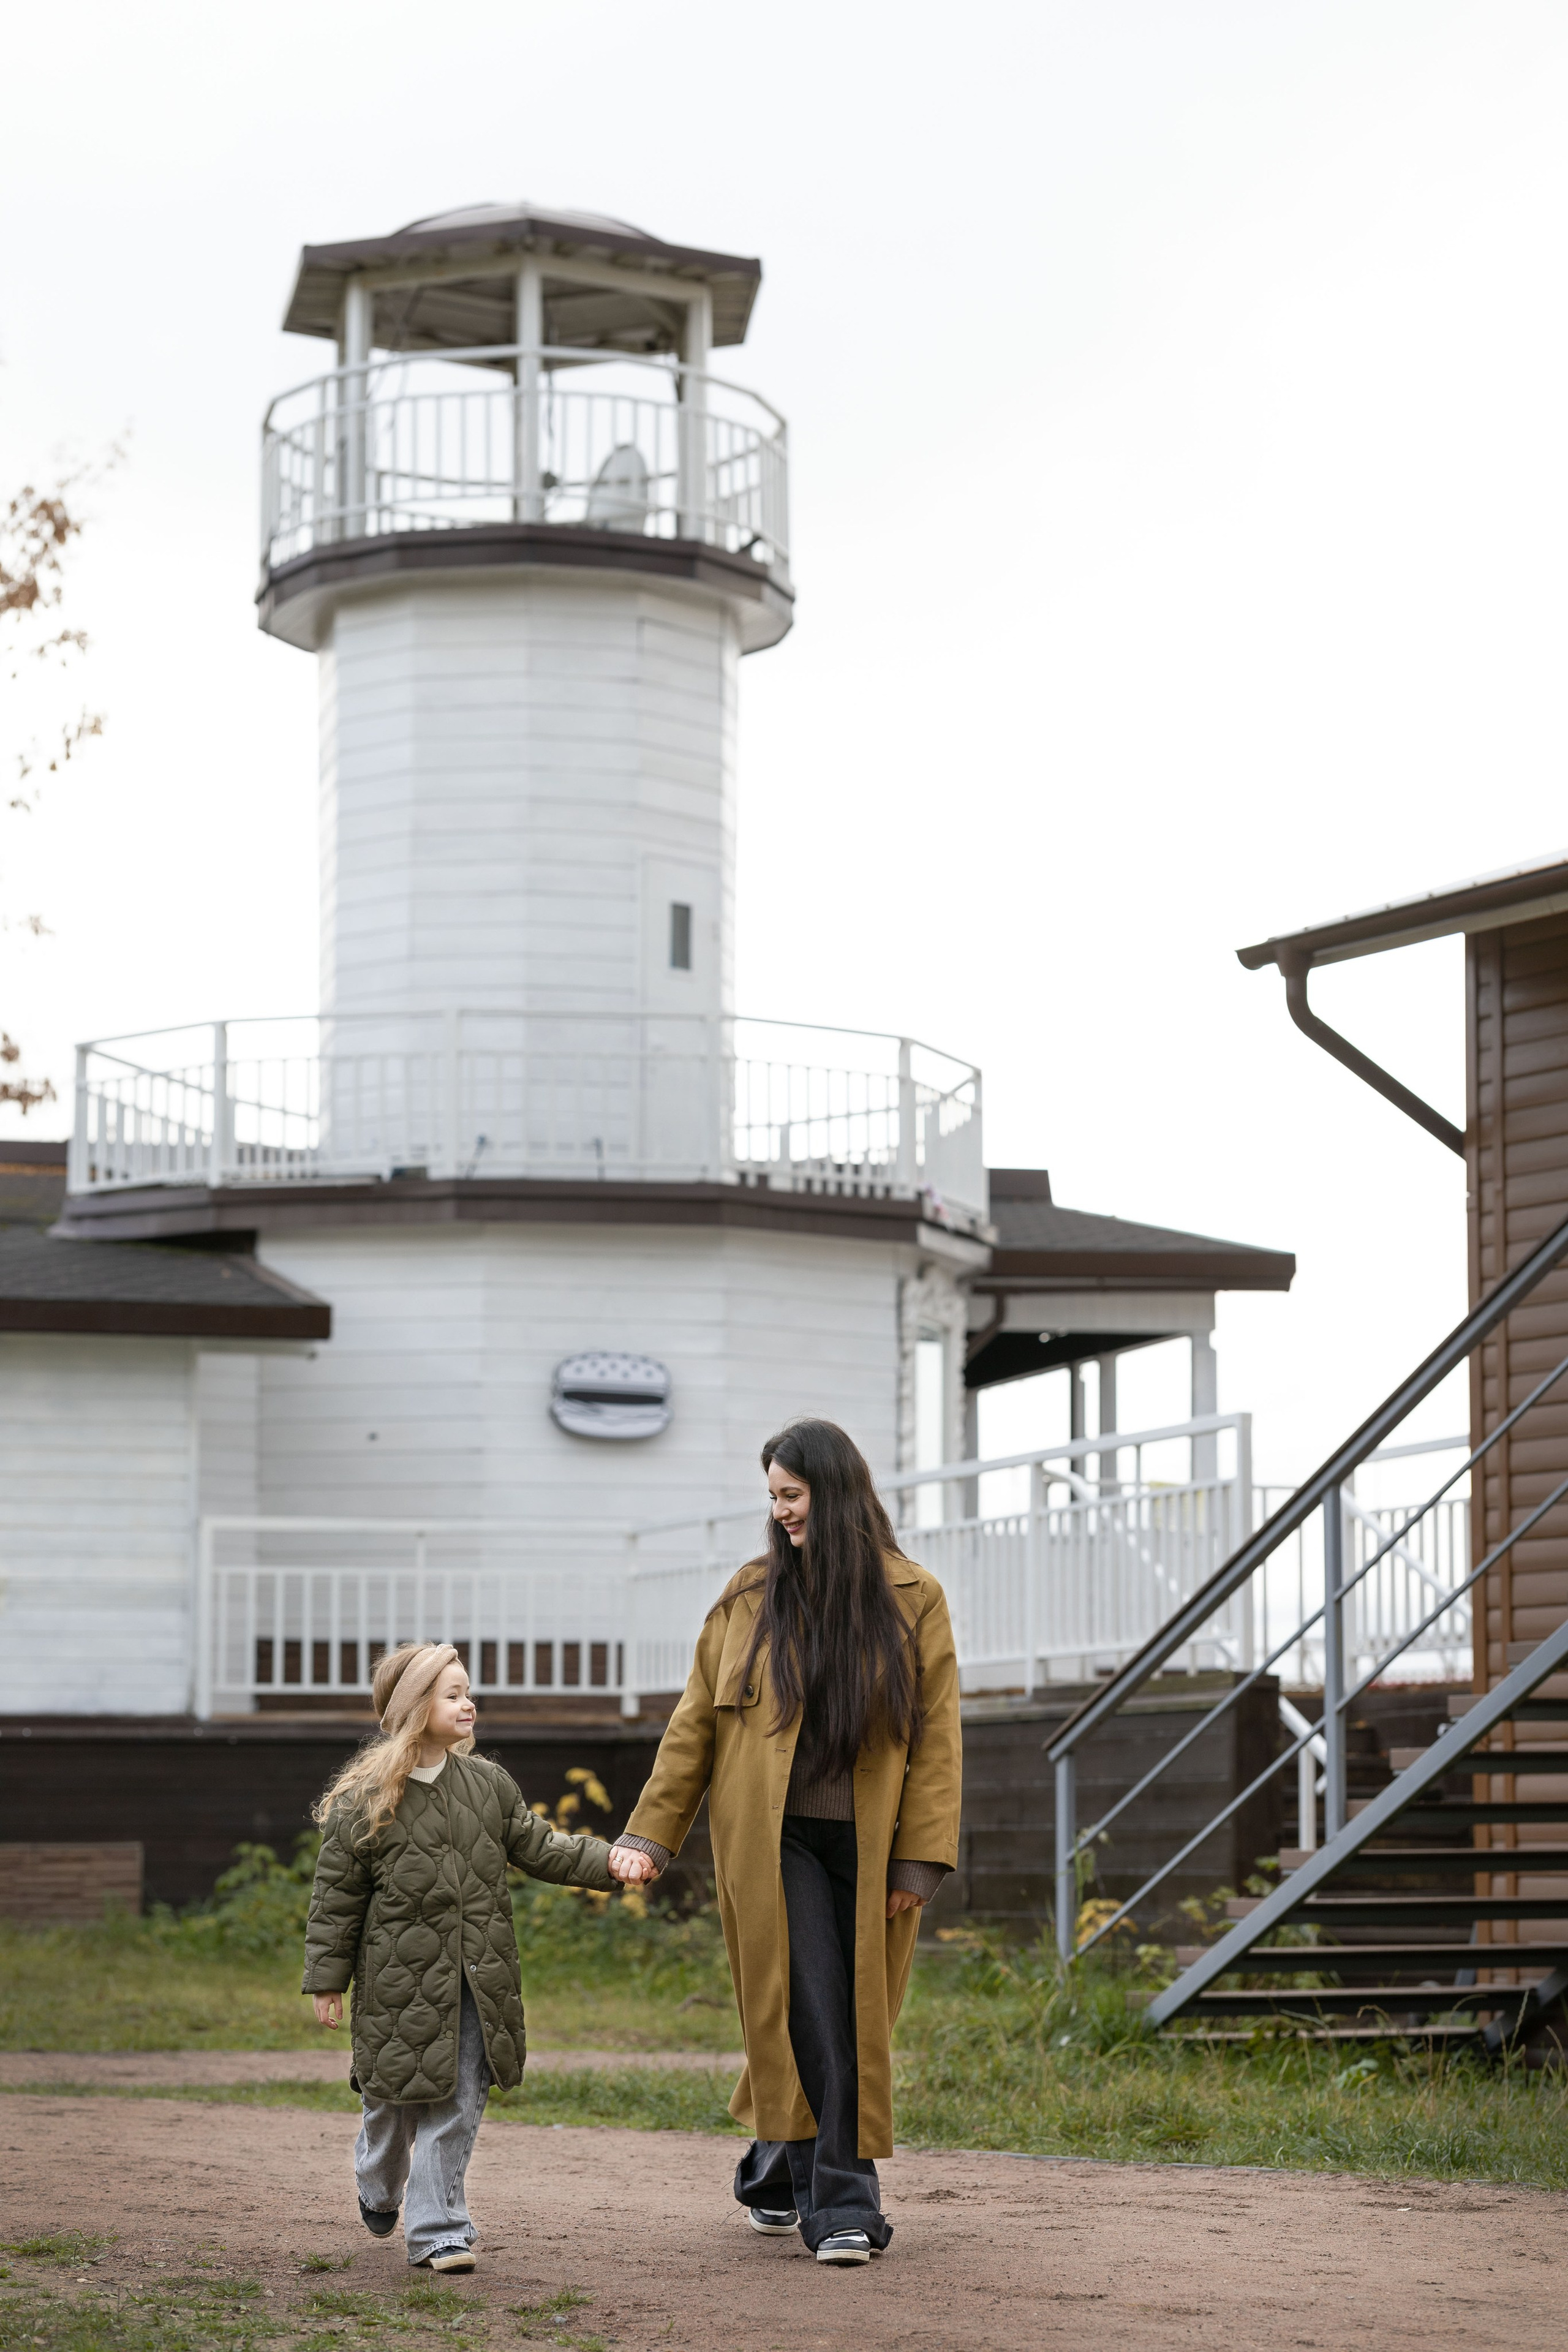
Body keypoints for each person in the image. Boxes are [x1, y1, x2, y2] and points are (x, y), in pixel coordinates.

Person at [610, 1417, 962, 2266]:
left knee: (846, 2015)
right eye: (773, 1497)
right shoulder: (747, 1597)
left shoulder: (914, 1596)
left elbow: (938, 1738)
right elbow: (694, 1727)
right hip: (773, 1847)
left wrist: (919, 1859)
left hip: (872, 1848)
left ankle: (772, 2172)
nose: (781, 1512)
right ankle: (842, 2206)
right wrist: (651, 1835)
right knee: (813, 2007)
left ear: (835, 1493)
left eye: (793, 1495)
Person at [301, 1640, 645, 2271]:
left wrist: (613, 1862)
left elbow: (543, 1847)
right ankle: (377, 2183)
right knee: (391, 2103)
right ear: (414, 1709)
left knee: (458, 2101)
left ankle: (439, 2230)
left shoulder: (488, 1786)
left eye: (469, 1693)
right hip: (396, 1986)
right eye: (453, 1695)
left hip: (476, 1981)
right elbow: (337, 1899)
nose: (469, 1704)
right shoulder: (366, 1799)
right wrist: (328, 1980)